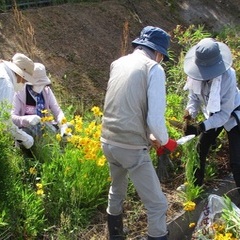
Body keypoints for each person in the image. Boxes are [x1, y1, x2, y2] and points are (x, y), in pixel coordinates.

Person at [100, 26, 177, 240]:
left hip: (108, 141)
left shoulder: (118, 63)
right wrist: (165, 141)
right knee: (157, 204)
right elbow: (154, 119)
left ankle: (115, 236)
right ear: (159, 53)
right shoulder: (153, 68)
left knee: (117, 190)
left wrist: (150, 135)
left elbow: (127, 105)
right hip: (131, 148)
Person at [182, 38, 240, 193]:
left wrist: (201, 126)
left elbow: (224, 114)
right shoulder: (194, 73)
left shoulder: (228, 76)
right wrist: (190, 115)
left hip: (233, 114)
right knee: (200, 148)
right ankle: (195, 185)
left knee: (237, 160)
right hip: (213, 113)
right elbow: (193, 98)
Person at [11, 62, 69, 144]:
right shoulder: (19, 93)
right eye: (38, 84)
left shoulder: (47, 91)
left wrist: (63, 125)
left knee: (69, 129)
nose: (41, 86)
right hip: (27, 130)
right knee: (25, 137)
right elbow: (12, 117)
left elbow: (58, 111)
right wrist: (26, 119)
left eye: (43, 84)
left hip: (45, 128)